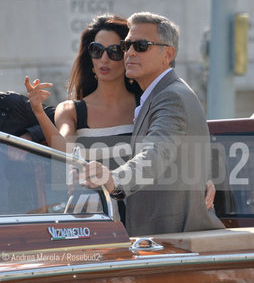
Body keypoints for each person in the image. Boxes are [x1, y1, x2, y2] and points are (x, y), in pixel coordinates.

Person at [25, 13, 215, 226]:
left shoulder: (159, 100)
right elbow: (67, 154)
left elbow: (160, 152)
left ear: (167, 54)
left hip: (145, 221)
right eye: (97, 51)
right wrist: (39, 112)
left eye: (117, 51)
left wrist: (204, 179)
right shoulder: (77, 109)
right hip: (93, 214)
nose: (105, 59)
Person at [82, 12, 224, 236]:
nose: (129, 53)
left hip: (178, 246)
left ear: (167, 54)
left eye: (141, 45)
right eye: (127, 45)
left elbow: (155, 153)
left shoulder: (172, 97)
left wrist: (115, 179)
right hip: (161, 243)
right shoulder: (158, 95)